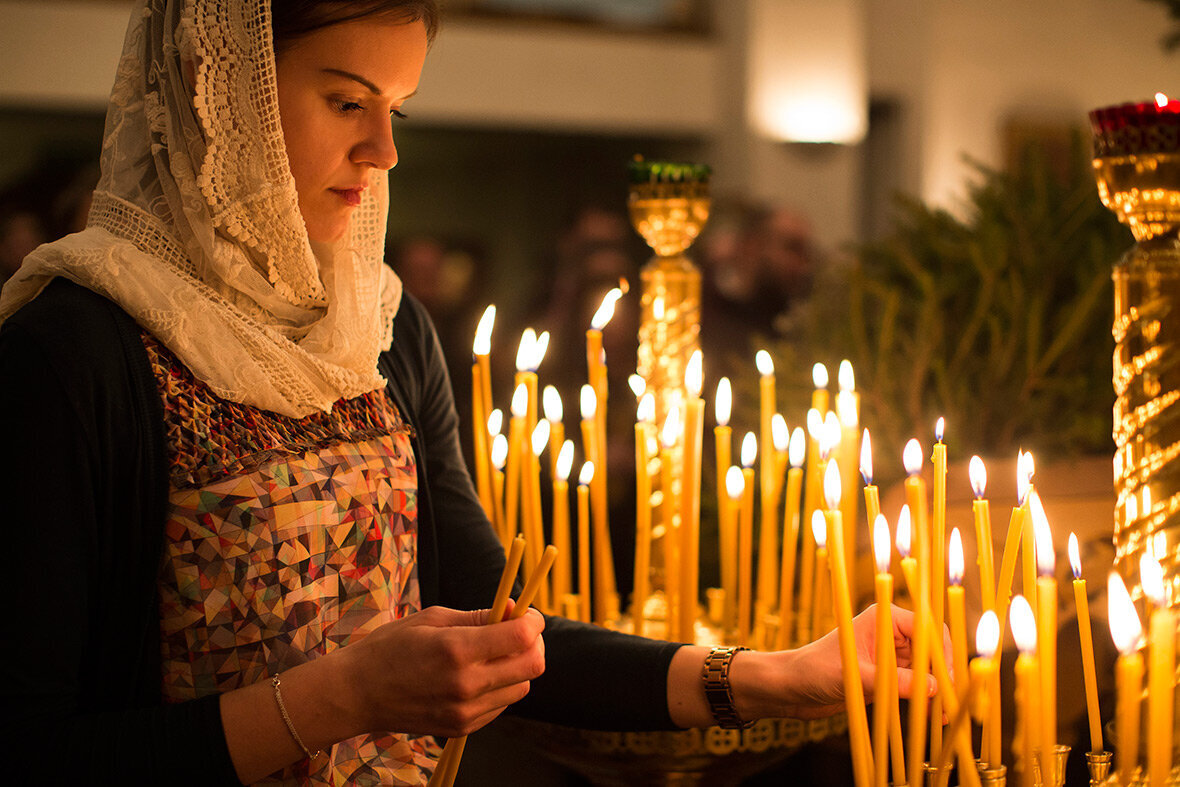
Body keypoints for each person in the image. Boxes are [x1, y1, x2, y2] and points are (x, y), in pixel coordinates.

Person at [0, 2, 934, 785]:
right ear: (221, 101)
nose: (381, 153)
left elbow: (501, 622)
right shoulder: (72, 358)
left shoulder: (381, 329)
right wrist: (342, 697)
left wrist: (773, 674)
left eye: (396, 111)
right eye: (344, 100)